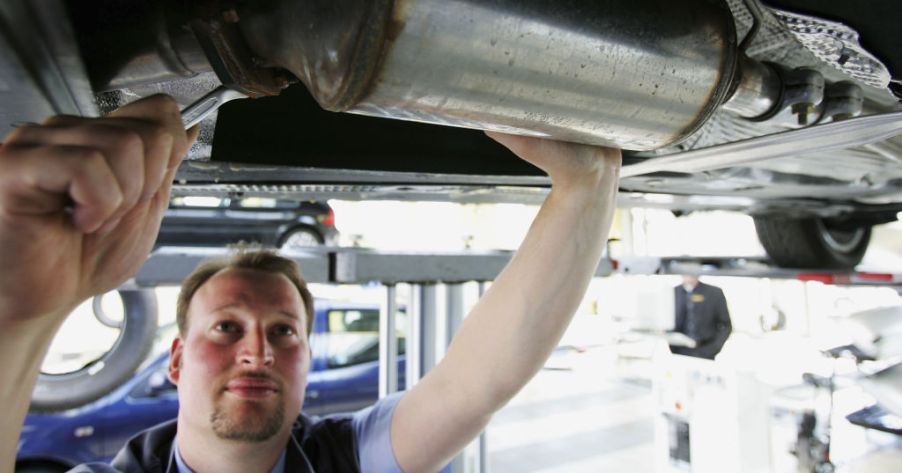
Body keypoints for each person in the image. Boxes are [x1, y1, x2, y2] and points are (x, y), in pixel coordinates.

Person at [0, 95, 621, 473]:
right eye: (226, 327)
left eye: (284, 331)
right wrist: (23, 313)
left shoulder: (350, 459)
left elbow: (474, 385)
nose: (258, 350)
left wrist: (584, 189)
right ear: (176, 359)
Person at [669, 274, 732, 360]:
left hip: (705, 350)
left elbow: (726, 325)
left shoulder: (714, 293)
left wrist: (714, 348)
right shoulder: (672, 292)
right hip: (678, 351)